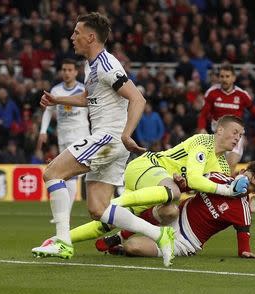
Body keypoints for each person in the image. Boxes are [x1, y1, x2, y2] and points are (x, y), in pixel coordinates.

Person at [32, 12, 175, 267]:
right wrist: (57, 100)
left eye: (76, 32)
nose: (72, 37)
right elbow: (88, 99)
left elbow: (138, 98)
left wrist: (126, 134)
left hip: (108, 137)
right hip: (110, 142)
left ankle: (62, 240)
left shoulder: (108, 65)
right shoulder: (93, 66)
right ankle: (160, 234)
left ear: (91, 37)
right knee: (98, 209)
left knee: (53, 173)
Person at [64, 115, 250, 246]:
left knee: (108, 223)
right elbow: (195, 179)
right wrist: (226, 190)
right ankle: (112, 204)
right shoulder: (204, 142)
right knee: (173, 193)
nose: (237, 138)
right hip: (146, 166)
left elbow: (205, 192)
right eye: (235, 132)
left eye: (240, 135)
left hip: (157, 186)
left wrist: (252, 199)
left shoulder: (223, 167)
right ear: (220, 130)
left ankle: (60, 239)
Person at [96, 161, 255, 259]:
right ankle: (118, 237)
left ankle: (122, 247)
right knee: (170, 210)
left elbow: (244, 248)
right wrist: (180, 182)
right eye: (247, 179)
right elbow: (187, 186)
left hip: (184, 242)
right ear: (241, 171)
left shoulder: (242, 211)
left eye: (251, 186)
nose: (245, 186)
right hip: (175, 215)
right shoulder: (216, 178)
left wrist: (245, 253)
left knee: (133, 247)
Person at [197, 64, 255, 172]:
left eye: (227, 76)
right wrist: (201, 128)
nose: (224, 79)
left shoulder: (242, 95)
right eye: (222, 76)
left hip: (235, 135)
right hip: (218, 134)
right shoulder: (212, 93)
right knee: (212, 167)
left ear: (234, 78)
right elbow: (203, 114)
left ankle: (225, 187)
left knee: (231, 164)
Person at [37, 58, 89, 204]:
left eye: (70, 70)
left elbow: (94, 110)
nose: (66, 73)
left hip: (80, 134)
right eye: (64, 70)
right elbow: (48, 111)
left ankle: (65, 211)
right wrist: (43, 131)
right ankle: (65, 210)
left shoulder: (83, 90)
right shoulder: (56, 90)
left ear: (75, 72)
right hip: (63, 135)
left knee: (70, 173)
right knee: (66, 174)